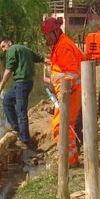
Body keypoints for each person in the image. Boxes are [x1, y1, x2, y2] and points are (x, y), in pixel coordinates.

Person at [40, 17, 85, 167]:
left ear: (56, 31)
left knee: (61, 126)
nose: (46, 38)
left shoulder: (63, 47)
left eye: (48, 35)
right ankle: (70, 159)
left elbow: (71, 74)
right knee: (64, 126)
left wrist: (62, 91)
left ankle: (69, 162)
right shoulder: (60, 44)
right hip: (69, 92)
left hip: (70, 92)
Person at [0, 38, 44, 149]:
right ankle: (16, 128)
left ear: (10, 43)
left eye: (3, 46)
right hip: (24, 83)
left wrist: (1, 86)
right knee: (7, 101)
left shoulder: (12, 49)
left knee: (21, 111)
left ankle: (25, 140)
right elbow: (40, 58)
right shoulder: (25, 49)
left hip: (22, 83)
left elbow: (9, 70)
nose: (3, 50)